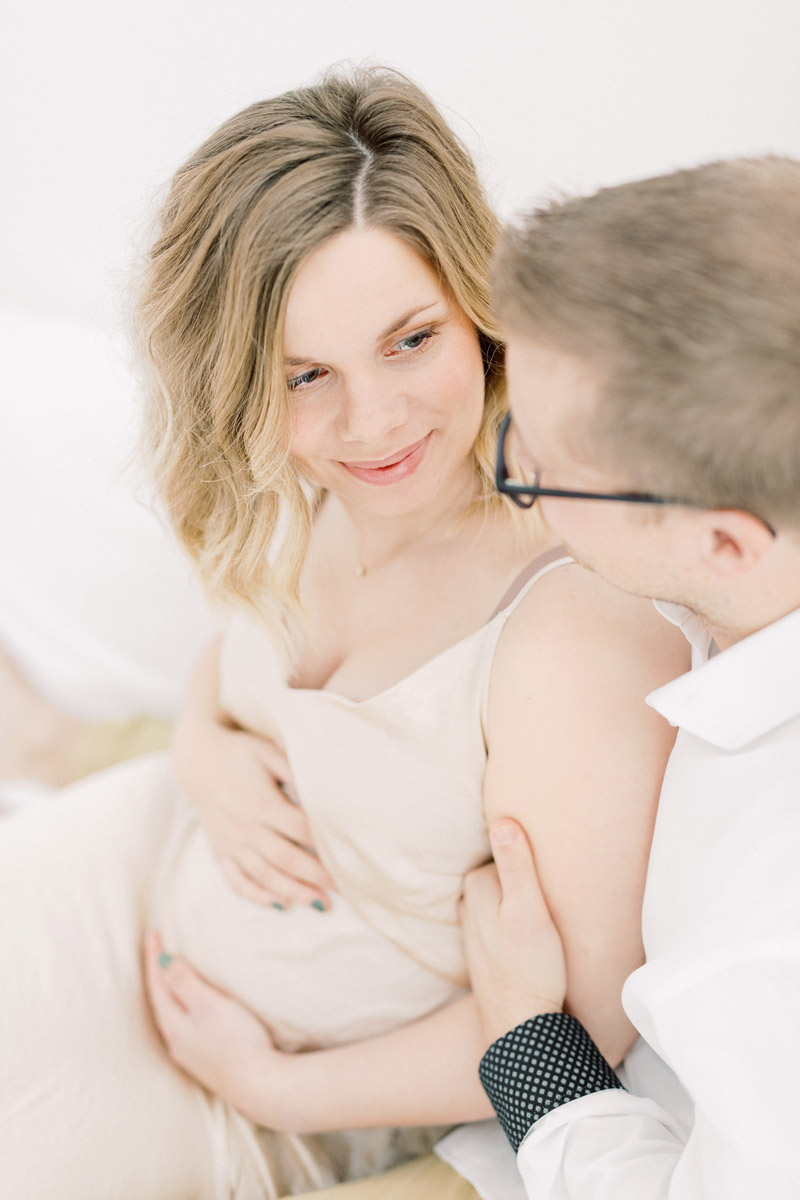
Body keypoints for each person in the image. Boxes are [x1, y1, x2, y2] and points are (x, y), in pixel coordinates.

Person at [0, 68, 685, 1199]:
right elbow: (237, 660)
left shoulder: (568, 625)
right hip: (149, 865)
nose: (369, 422)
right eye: (304, 373)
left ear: (477, 303)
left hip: (288, 1081)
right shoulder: (307, 479)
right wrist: (201, 750)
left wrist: (276, 1089)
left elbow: (580, 1031)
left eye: (410, 341)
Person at [456, 156, 800, 1199]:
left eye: (544, 471)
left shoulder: (756, 930)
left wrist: (526, 1038)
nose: (520, 496)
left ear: (728, 545)